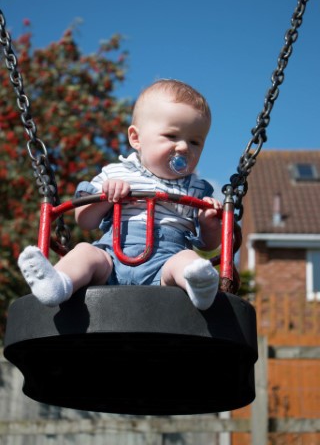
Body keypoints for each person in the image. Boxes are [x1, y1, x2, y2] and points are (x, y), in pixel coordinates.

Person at [18, 79, 222, 310]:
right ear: (136, 138)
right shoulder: (114, 172)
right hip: (111, 258)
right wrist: (106, 198)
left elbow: (208, 245)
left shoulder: (196, 189)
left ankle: (200, 287)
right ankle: (57, 284)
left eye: (195, 142)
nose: (184, 147)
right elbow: (84, 220)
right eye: (172, 136)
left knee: (188, 262)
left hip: (166, 262)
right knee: (84, 252)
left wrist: (209, 224)